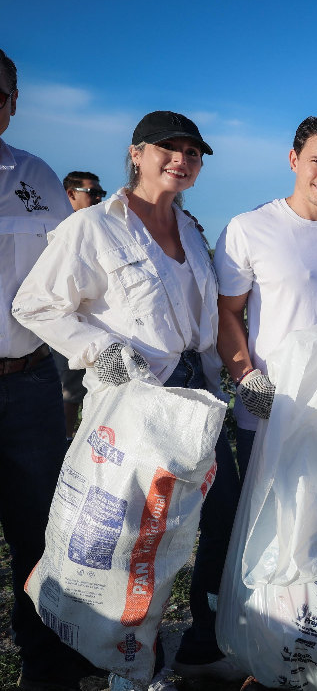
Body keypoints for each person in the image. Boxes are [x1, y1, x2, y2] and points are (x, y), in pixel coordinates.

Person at [13, 111, 244, 689]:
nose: (182, 159)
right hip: (136, 402)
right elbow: (35, 306)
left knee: (219, 520)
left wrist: (233, 381)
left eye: (193, 152)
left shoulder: (191, 229)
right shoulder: (92, 226)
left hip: (195, 398)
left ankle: (200, 645)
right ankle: (132, 665)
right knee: (137, 543)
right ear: (136, 153)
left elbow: (204, 324)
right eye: (168, 148)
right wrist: (99, 348)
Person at [0, 46, 99, 691]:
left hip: (27, 384)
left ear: (9, 104)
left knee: (39, 537)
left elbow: (81, 276)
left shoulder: (35, 175)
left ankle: (50, 671)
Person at [212, 116, 317, 477]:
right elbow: (226, 312)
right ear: (294, 160)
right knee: (271, 525)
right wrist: (246, 378)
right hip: (271, 404)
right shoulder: (249, 227)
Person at [51, 171, 105, 438]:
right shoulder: (58, 230)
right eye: (92, 192)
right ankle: (62, 450)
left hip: (96, 326)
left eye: (100, 193)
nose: (98, 197)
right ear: (70, 194)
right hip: (66, 323)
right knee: (70, 391)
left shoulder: (100, 229)